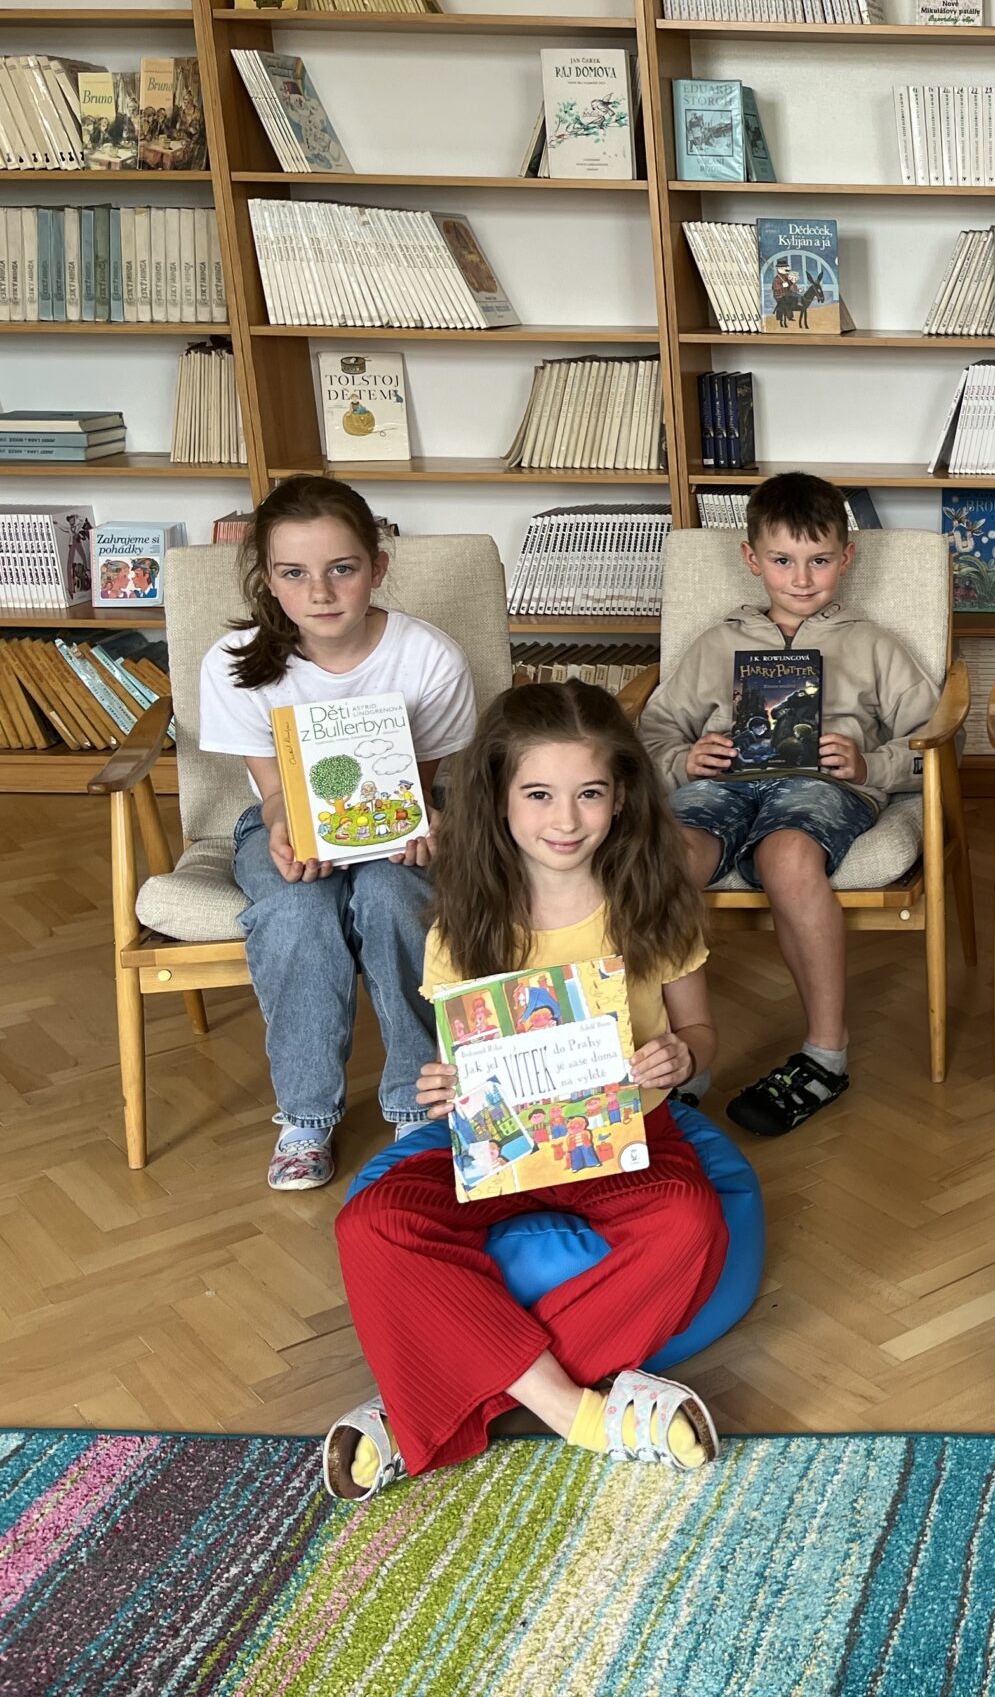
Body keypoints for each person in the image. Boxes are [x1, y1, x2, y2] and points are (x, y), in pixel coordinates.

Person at [323, 681, 727, 1499]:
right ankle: (576, 1409)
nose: (566, 820)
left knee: (691, 1226)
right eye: (539, 794)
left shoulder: (655, 905)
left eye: (590, 794)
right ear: (500, 799)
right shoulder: (465, 922)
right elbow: (463, 1067)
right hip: (501, 1148)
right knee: (370, 1222)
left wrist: (681, 1058)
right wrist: (442, 1085)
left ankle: (429, 1404)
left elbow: (701, 1033)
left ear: (622, 798)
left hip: (628, 1138)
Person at [195, 475, 479, 1192]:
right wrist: (285, 826)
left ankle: (418, 1105)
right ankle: (305, 1116)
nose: (320, 592)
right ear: (268, 578)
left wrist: (422, 826)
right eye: (294, 573)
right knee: (297, 909)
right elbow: (273, 795)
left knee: (393, 896)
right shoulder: (234, 662)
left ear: (377, 567)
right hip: (284, 818)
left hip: (396, 818)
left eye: (341, 569)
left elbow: (418, 787)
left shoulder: (429, 656)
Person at [636, 472, 940, 1136]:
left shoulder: (873, 644)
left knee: (788, 857)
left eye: (819, 561)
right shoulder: (718, 643)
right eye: (782, 561)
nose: (801, 579)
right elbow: (656, 730)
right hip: (721, 785)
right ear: (751, 559)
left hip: (824, 787)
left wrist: (871, 763)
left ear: (846, 557)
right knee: (664, 861)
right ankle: (683, 1054)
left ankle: (825, 1053)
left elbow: (937, 741)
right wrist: (683, 760)